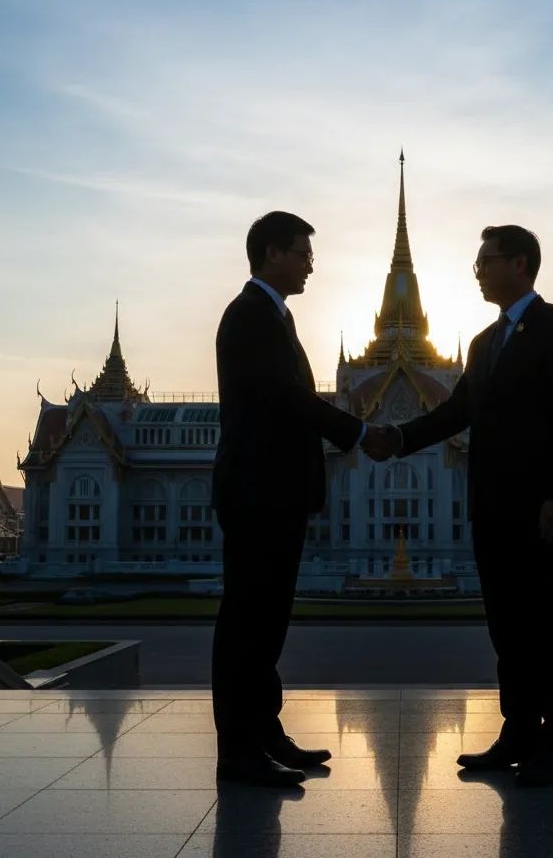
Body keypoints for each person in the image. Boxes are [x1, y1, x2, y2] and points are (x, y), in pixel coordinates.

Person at [364, 225, 553, 786]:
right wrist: (398, 438)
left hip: (539, 508)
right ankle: (518, 732)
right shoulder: (485, 344)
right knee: (506, 628)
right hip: (490, 506)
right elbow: (455, 412)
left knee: (549, 628)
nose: (479, 272)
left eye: (486, 261)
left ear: (520, 264)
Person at [211, 210, 393, 786]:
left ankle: (264, 733)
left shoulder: (274, 317)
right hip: (257, 491)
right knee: (247, 624)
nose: (311, 265)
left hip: (275, 492)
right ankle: (239, 753)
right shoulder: (250, 316)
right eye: (303, 253)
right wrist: (360, 432)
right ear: (272, 253)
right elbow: (287, 399)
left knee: (266, 625)